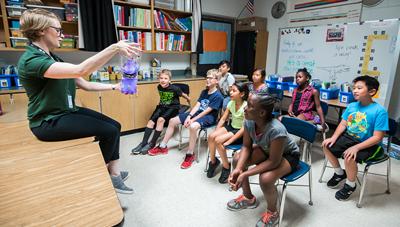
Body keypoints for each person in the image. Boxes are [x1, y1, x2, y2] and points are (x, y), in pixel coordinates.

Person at [18, 8, 141, 194]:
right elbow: (81, 70)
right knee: (108, 132)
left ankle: (114, 173)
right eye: (58, 30)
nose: (62, 35)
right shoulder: (32, 60)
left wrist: (114, 87)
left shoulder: (51, 57)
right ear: (40, 30)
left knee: (115, 126)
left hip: (65, 111)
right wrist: (114, 47)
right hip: (47, 121)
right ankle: (98, 176)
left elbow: (85, 84)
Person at [227, 93, 300, 227]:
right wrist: (238, 169)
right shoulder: (249, 121)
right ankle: (248, 199)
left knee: (265, 179)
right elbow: (246, 146)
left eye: (249, 106)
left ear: (261, 112)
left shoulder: (276, 129)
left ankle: (272, 213)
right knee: (237, 160)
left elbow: (273, 161)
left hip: (288, 155)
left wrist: (245, 174)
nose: (245, 108)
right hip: (267, 149)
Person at [322, 76, 388, 201]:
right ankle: (339, 173)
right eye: (354, 88)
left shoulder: (380, 111)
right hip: (350, 138)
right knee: (326, 145)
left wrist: (356, 147)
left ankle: (350, 185)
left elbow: (378, 138)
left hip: (369, 144)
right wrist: (333, 137)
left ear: (372, 92)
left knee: (349, 156)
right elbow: (343, 124)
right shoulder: (352, 106)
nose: (355, 91)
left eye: (359, 88)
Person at [148, 69, 223, 169]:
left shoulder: (218, 96)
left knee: (193, 126)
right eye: (207, 77)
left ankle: (190, 154)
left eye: (210, 78)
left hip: (209, 117)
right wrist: (189, 116)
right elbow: (197, 107)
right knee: (172, 121)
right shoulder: (204, 92)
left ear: (217, 80)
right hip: (198, 113)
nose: (207, 79)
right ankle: (163, 146)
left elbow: (207, 111)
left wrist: (192, 120)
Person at [131, 69, 191, 155]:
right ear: (158, 79)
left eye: (165, 78)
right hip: (161, 106)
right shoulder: (159, 87)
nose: (163, 80)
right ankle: (144, 142)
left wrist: (188, 99)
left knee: (160, 120)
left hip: (172, 108)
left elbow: (182, 94)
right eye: (161, 78)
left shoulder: (175, 88)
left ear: (170, 80)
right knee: (151, 121)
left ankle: (152, 143)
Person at [207, 81, 249, 183]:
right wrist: (216, 132)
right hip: (232, 126)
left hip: (241, 132)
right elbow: (223, 119)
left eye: (234, 91)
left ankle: (226, 167)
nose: (230, 93)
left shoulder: (246, 106)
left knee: (218, 141)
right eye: (230, 90)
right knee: (211, 136)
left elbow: (243, 129)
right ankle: (213, 162)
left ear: (242, 94)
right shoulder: (231, 103)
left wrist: (229, 141)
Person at [278, 68, 328, 132]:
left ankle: (316, 121)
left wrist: (323, 122)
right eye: (296, 78)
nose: (297, 79)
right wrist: (289, 109)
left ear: (307, 78)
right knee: (280, 119)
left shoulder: (313, 91)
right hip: (295, 114)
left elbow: (318, 107)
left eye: (300, 77)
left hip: (306, 114)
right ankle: (312, 122)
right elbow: (292, 103)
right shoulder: (295, 90)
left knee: (297, 122)